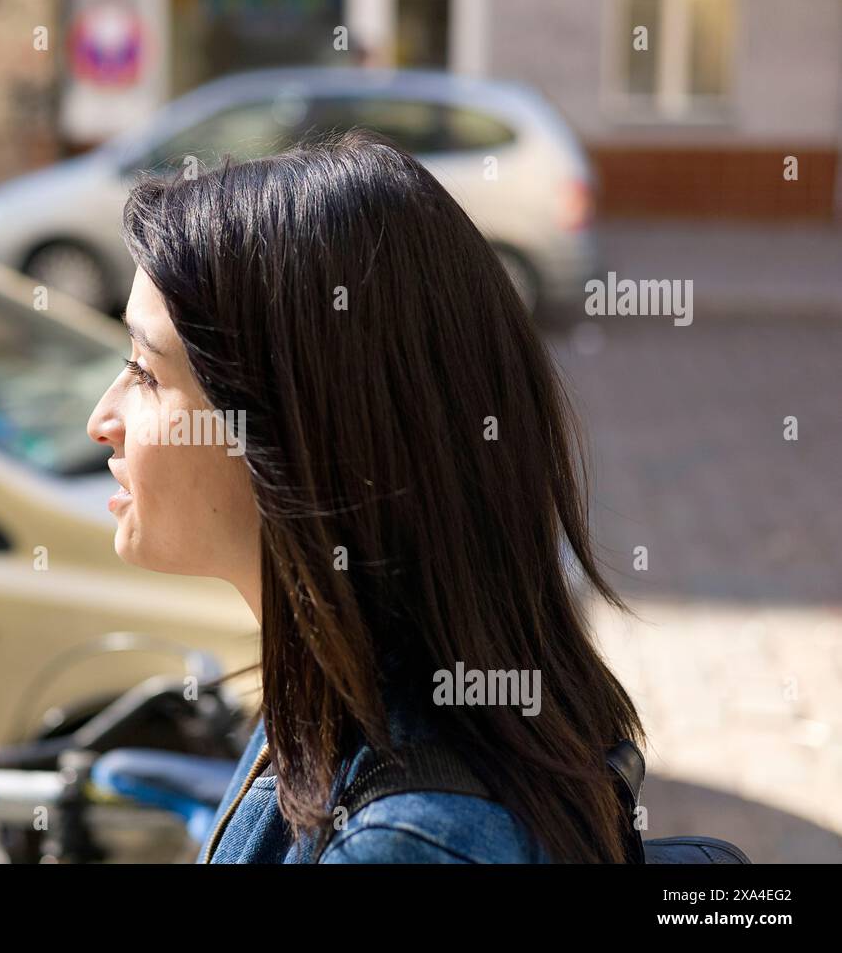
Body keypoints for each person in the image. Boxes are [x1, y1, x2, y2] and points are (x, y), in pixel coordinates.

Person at [85, 129, 644, 863]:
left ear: (291, 427)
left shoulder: (408, 842)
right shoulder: (340, 696)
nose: (102, 422)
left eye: (148, 373)